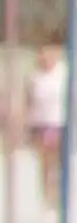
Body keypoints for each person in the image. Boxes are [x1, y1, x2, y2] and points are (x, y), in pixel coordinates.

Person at [24, 44, 67, 211]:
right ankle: (47, 197)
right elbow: (28, 101)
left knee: (59, 163)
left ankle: (59, 195)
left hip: (60, 123)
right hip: (40, 124)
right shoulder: (34, 77)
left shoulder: (64, 73)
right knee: (45, 164)